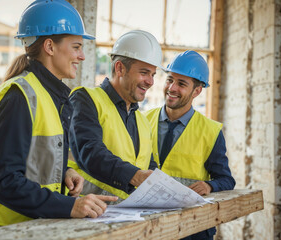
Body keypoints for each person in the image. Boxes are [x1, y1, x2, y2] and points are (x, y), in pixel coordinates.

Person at [0, 0, 117, 231]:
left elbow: (30, 158)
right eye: (76, 46)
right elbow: (6, 183)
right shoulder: (20, 97)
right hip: (2, 228)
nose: (82, 56)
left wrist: (63, 171)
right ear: (49, 46)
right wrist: (70, 206)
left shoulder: (48, 94)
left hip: (30, 226)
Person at [145, 51, 236, 240]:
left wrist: (210, 185)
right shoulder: (142, 120)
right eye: (170, 80)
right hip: (149, 224)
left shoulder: (210, 131)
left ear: (197, 91)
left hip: (193, 229)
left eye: (181, 84)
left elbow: (226, 180)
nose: (172, 88)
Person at [68, 30, 163, 200]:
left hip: (130, 218)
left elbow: (148, 166)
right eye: (144, 72)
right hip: (88, 215)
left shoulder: (142, 120)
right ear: (120, 68)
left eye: (153, 74)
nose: (150, 82)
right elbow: (90, 153)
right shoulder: (86, 99)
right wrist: (135, 176)